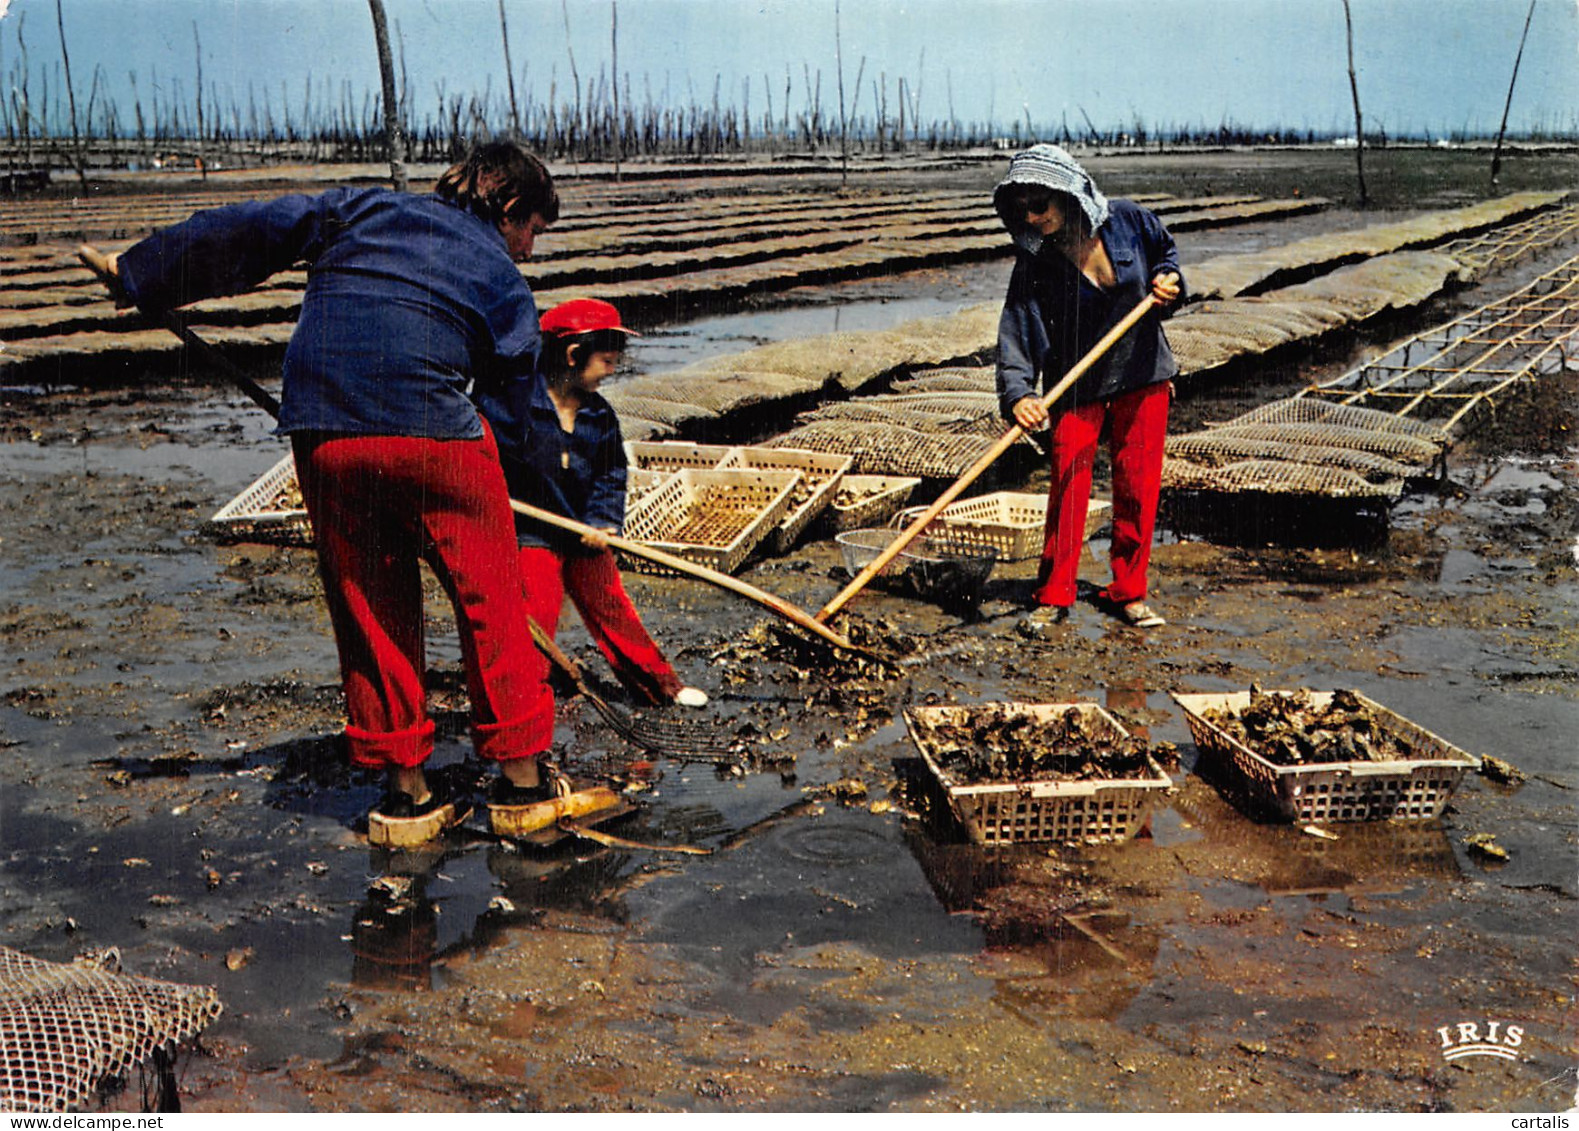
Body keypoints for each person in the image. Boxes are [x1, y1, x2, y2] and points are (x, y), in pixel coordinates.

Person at [94, 141, 564, 844]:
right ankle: (522, 781)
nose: (528, 249)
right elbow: (514, 409)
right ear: (508, 211)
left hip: (326, 426)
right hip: (434, 435)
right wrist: (533, 498)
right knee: (492, 597)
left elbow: (251, 229)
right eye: (532, 230)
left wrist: (141, 273)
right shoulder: (501, 275)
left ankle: (405, 796)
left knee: (369, 601)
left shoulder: (361, 208)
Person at [473, 297, 708, 744]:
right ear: (571, 355)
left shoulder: (600, 416)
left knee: (611, 604)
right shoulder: (517, 406)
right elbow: (485, 447)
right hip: (532, 532)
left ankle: (660, 686)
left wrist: (602, 521)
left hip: (583, 530)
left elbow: (611, 473)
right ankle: (527, 699)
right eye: (605, 360)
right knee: (536, 614)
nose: (612, 370)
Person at [992, 144, 1185, 634]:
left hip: (1143, 373)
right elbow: (1018, 329)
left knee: (1137, 486)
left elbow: (1166, 255)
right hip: (1076, 384)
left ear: (1069, 195)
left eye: (1041, 206)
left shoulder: (1130, 221)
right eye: (1024, 210)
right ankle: (1055, 593)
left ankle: (1128, 591)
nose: (1033, 218)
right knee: (1069, 485)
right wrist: (1019, 395)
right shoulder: (1035, 262)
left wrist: (1170, 280)